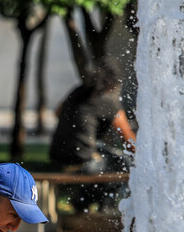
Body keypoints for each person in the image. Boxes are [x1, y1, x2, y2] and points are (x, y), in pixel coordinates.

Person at [49, 58, 136, 212]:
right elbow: (129, 139)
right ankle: (103, 206)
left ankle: (83, 203)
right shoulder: (108, 102)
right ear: (115, 82)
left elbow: (57, 113)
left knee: (103, 153)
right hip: (81, 161)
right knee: (123, 163)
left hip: (57, 156)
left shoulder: (78, 91)